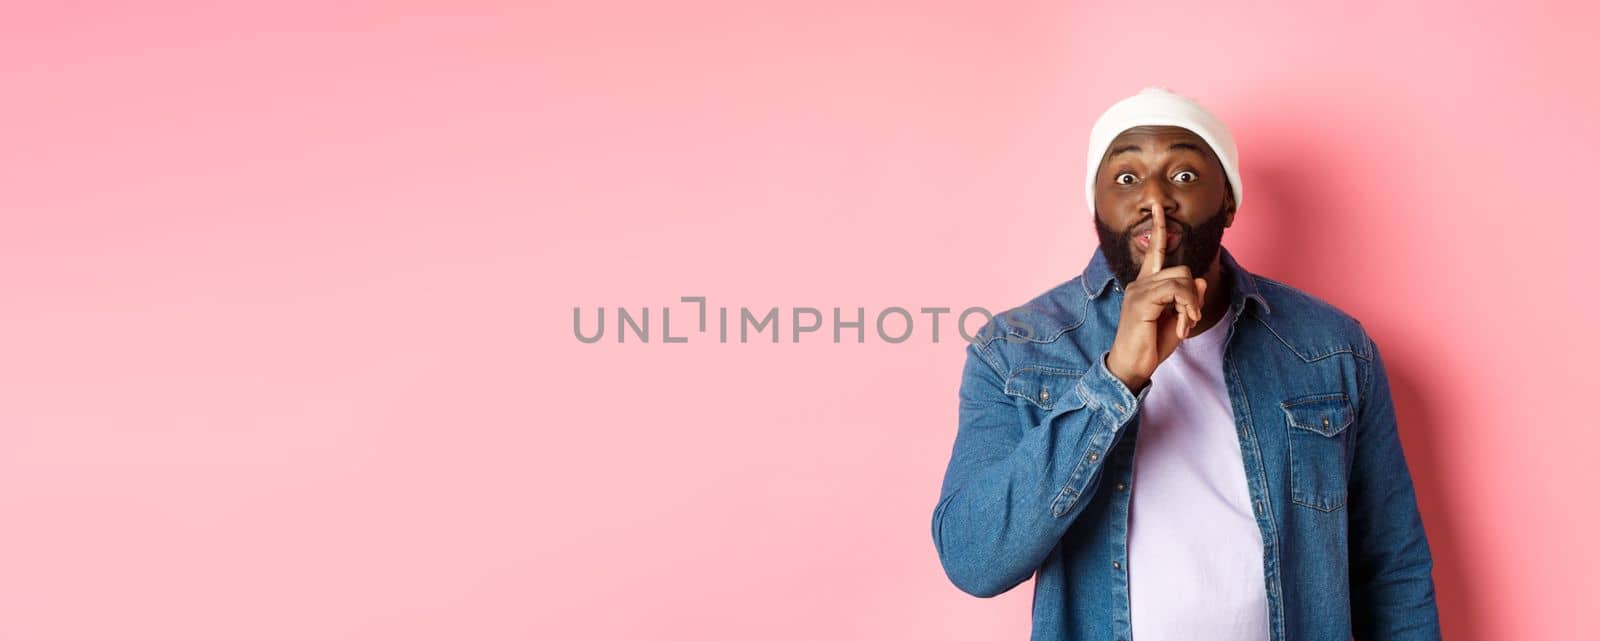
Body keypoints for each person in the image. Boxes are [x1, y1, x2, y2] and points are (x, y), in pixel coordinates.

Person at [930, 87, 1441, 641]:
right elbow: (974, 559)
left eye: (1184, 176)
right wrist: (1116, 379)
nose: (1155, 199)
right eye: (1126, 178)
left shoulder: (1332, 348)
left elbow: (1393, 568)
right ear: (1095, 205)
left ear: (1228, 201)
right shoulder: (1017, 348)